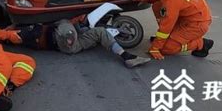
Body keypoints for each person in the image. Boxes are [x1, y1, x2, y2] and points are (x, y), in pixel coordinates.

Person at [132, 0, 213, 60]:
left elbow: (167, 25)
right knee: (157, 5)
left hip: (196, 25)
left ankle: (201, 43)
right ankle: (168, 38)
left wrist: (155, 48)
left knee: (166, 49)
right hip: (188, 18)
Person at [16, 17, 151, 68]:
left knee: (100, 31)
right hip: (62, 40)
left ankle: (126, 56)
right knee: (64, 22)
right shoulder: (26, 31)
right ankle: (70, 33)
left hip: (72, 44)